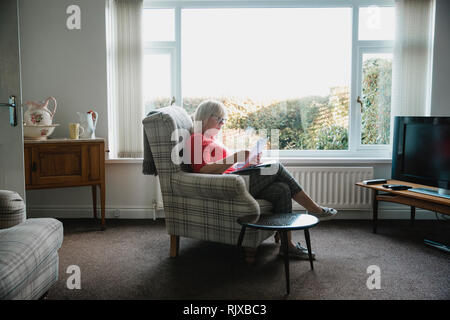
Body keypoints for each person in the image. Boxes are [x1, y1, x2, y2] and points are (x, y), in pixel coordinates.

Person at [185, 100, 338, 259]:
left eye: (224, 120)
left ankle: (288, 246)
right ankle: (314, 209)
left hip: (235, 179)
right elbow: (202, 170)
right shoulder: (196, 138)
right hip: (227, 185)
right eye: (219, 119)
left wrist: (246, 163)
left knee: (282, 189)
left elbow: (222, 165)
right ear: (205, 117)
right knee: (276, 167)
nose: (222, 123)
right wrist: (235, 157)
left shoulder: (212, 140)